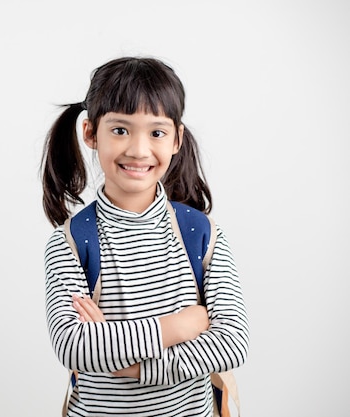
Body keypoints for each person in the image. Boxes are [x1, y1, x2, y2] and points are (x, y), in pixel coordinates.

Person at [40, 56, 249, 417]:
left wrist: (126, 362)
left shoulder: (201, 235)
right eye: (120, 130)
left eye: (156, 132)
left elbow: (232, 344)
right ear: (91, 133)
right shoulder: (72, 241)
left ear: (176, 139)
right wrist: (180, 325)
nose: (138, 149)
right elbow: (73, 347)